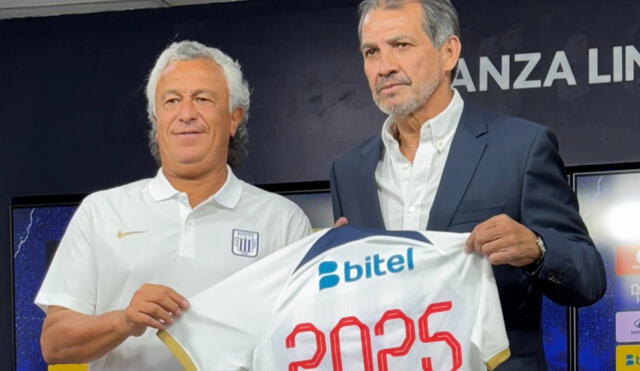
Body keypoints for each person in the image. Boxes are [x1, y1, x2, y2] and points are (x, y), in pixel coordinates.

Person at [329, 1, 606, 369]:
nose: (385, 67)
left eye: (401, 45)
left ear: (449, 52)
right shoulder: (348, 172)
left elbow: (588, 278)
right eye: (371, 52)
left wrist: (538, 249)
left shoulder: (521, 148)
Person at [35, 40, 311, 370]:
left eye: (203, 99)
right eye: (171, 101)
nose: (186, 114)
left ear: (234, 117)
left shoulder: (283, 221)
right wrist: (124, 321)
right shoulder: (101, 212)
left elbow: (307, 341)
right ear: (156, 117)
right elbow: (55, 344)